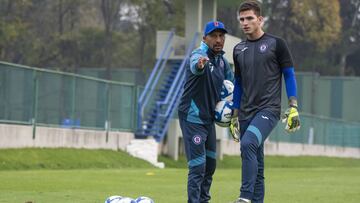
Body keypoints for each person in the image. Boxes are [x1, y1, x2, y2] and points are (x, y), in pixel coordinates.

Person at [230, 1, 301, 203]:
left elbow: (289, 74)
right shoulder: (238, 49)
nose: (245, 23)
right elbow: (238, 82)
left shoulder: (277, 44)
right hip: (245, 112)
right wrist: (234, 115)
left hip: (268, 110)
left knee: (248, 143)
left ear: (260, 19)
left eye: (250, 18)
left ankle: (244, 197)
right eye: (242, 19)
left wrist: (293, 105)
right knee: (257, 165)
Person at [178, 20, 234, 203]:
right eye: (214, 36)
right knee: (198, 167)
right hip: (193, 118)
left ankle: (203, 200)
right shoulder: (199, 54)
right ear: (205, 38)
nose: (218, 40)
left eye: (221, 36)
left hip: (208, 120)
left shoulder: (223, 63)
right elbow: (196, 64)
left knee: (210, 165)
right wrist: (201, 64)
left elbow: (233, 88)